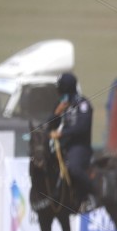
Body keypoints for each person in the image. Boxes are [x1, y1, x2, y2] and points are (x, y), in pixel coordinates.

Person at [49, 72, 96, 213]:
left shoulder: (83, 104)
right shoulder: (61, 104)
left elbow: (83, 127)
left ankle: (92, 195)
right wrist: (56, 114)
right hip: (62, 146)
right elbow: (49, 126)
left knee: (74, 168)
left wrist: (62, 133)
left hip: (79, 147)